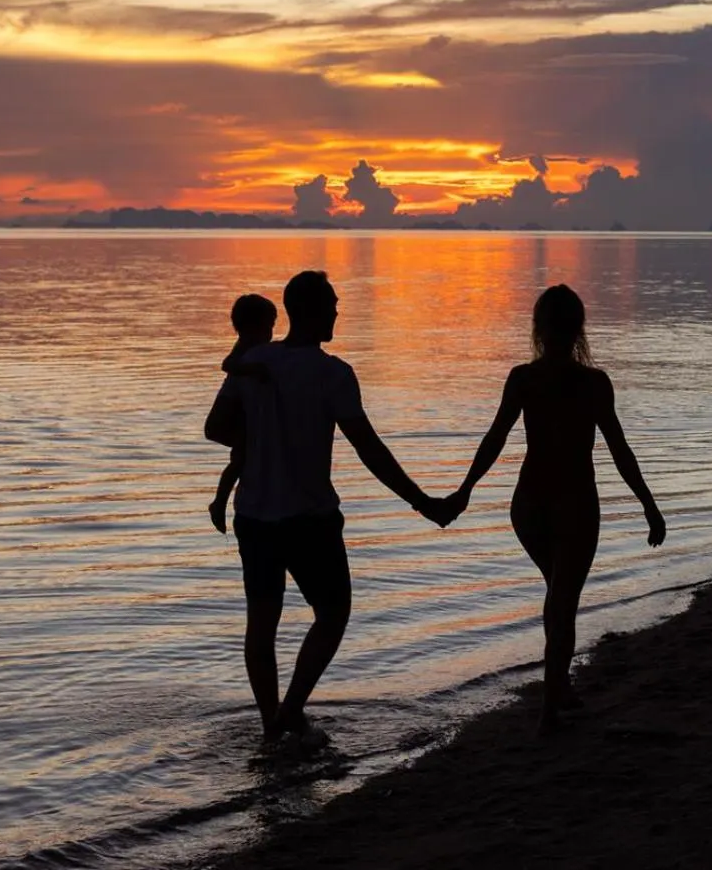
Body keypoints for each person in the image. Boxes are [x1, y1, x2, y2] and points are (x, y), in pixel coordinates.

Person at [205, 270, 447, 743]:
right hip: (309, 518)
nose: (338, 311)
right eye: (333, 304)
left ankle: (269, 723)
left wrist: (261, 439)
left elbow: (215, 428)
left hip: (254, 516)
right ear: (311, 311)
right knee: (334, 612)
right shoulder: (331, 374)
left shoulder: (253, 362)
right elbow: (369, 448)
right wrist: (422, 502)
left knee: (262, 621)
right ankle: (289, 711)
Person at [446, 284, 666, 734]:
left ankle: (559, 687)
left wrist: (466, 489)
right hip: (573, 504)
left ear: (539, 329)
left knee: (559, 597)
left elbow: (495, 439)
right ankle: (549, 709)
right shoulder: (592, 383)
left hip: (528, 505)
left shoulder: (524, 379)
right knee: (562, 600)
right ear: (578, 329)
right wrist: (648, 505)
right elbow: (619, 450)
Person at [207, 294, 278, 535]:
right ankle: (218, 503)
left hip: (244, 414)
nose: (270, 332)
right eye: (268, 325)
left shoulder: (255, 348)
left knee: (239, 460)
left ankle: (218, 503)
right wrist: (253, 369)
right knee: (239, 459)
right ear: (252, 327)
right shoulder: (245, 347)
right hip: (239, 416)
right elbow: (227, 364)